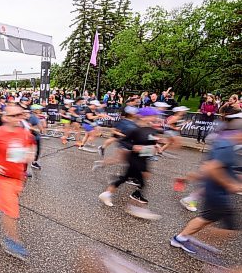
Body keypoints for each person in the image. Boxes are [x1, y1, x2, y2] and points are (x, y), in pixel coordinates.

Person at [171, 115, 242, 253]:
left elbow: (210, 167)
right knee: (230, 227)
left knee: (208, 218)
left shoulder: (224, 144)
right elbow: (212, 168)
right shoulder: (226, 146)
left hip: (215, 191)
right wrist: (230, 184)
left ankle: (181, 238)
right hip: (216, 192)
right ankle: (192, 240)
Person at [0, 105, 36, 260]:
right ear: (5, 118)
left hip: (18, 177)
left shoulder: (24, 132)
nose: (19, 118)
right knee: (11, 211)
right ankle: (12, 241)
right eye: (15, 115)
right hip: (1, 179)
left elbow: (31, 146)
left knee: (2, 202)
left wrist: (30, 155)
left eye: (20, 115)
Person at [98, 107, 163, 220]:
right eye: (153, 116)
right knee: (142, 183)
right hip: (134, 159)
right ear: (144, 117)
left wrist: (156, 145)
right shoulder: (135, 129)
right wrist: (133, 147)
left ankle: (107, 194)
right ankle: (136, 207)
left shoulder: (151, 129)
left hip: (144, 158)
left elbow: (151, 139)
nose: (155, 118)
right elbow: (123, 141)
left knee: (125, 178)